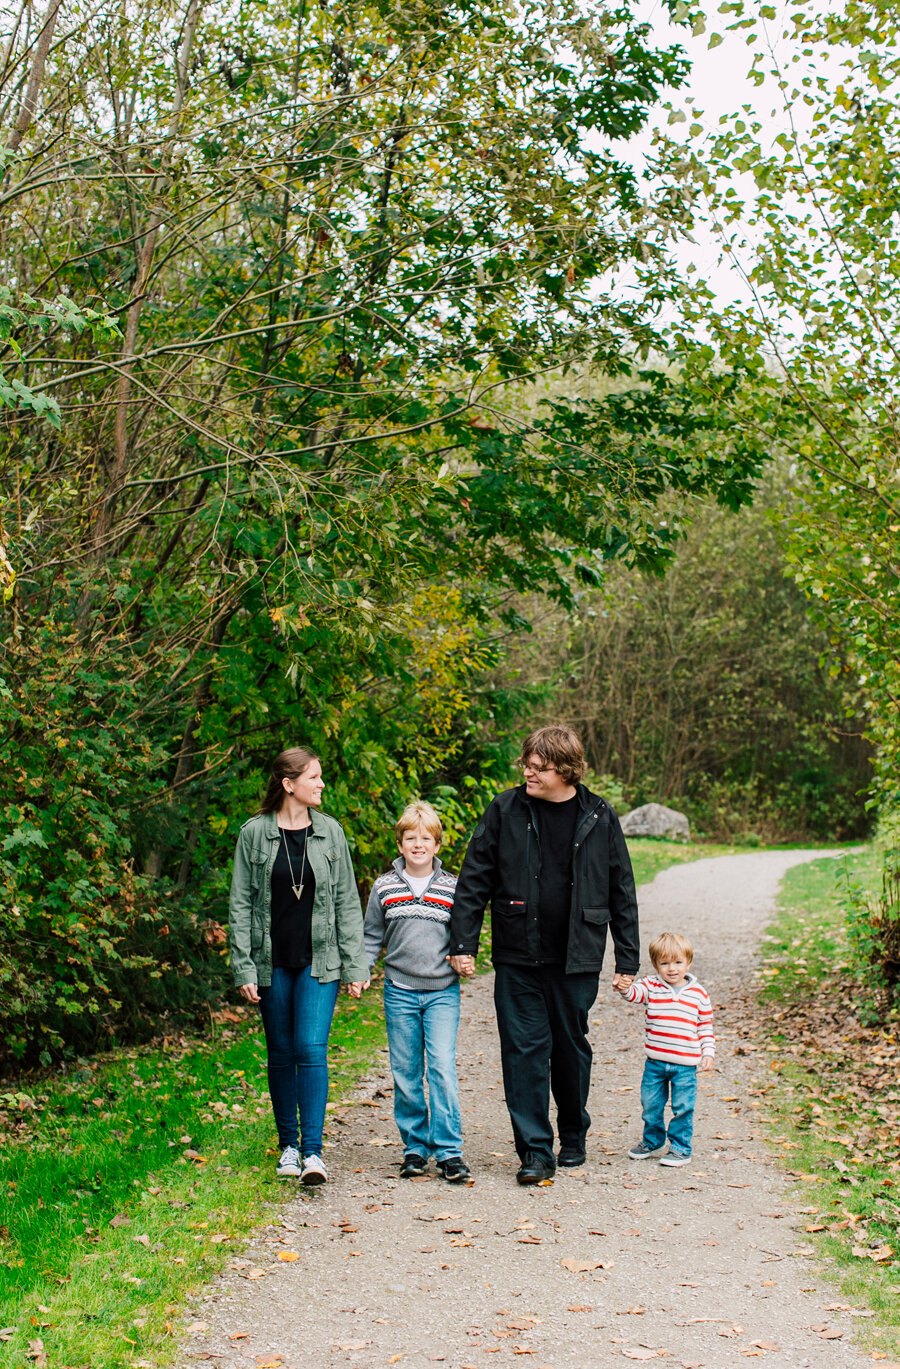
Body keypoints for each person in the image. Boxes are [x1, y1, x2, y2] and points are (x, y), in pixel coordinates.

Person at [448, 725, 640, 1184]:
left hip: (576, 958)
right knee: (523, 1052)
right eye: (526, 765)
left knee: (570, 1050)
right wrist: (463, 942)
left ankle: (573, 1133)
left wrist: (627, 961)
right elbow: (475, 877)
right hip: (518, 954)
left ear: (566, 770)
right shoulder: (506, 809)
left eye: (539, 767)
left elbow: (622, 889)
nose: (528, 773)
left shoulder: (598, 814)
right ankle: (534, 1150)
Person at [228, 747, 369, 1185]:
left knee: (310, 1049)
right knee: (282, 1052)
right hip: (271, 963)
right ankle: (287, 1146)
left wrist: (355, 964)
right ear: (289, 784)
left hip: (319, 962)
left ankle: (312, 1151)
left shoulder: (330, 833)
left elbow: (347, 900)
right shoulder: (254, 835)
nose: (322, 784)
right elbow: (240, 904)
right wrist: (244, 967)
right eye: (314, 777)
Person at [364, 801, 470, 1183]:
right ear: (400, 843)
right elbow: (372, 936)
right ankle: (414, 1148)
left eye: (426, 838)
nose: (419, 844)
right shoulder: (384, 886)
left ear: (438, 845)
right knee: (406, 1072)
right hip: (400, 991)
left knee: (441, 1067)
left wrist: (465, 957)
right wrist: (362, 971)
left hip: (442, 992)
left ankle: (449, 1152)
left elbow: (463, 937)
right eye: (411, 838)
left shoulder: (452, 887)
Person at [614, 930, 715, 1168]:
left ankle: (680, 1148)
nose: (672, 968)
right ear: (655, 965)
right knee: (651, 1105)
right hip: (656, 1063)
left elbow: (705, 1026)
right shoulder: (650, 986)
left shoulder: (698, 994)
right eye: (665, 963)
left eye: (678, 962)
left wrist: (708, 1052)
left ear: (688, 962)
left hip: (685, 1065)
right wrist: (623, 985)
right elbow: (632, 994)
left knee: (682, 1108)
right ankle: (653, 1141)